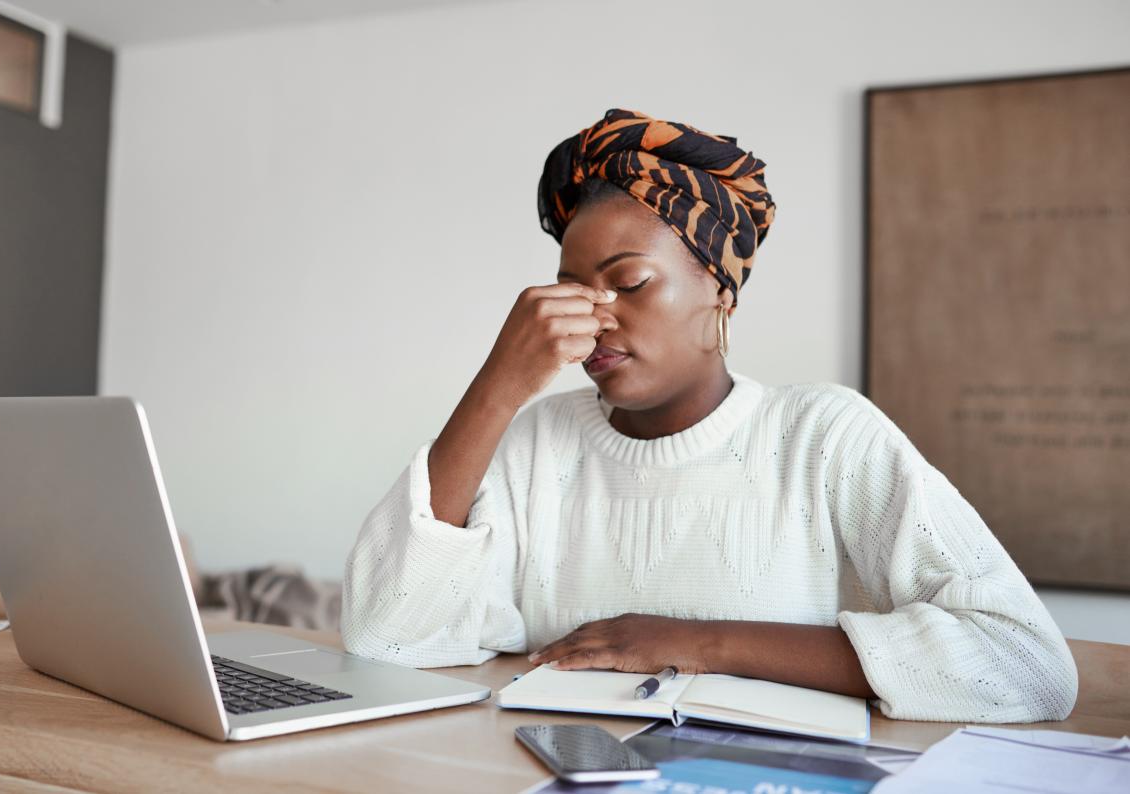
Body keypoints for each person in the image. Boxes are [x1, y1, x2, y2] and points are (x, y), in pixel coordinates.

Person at [341, 108, 1078, 723]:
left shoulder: (824, 436)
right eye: (570, 291)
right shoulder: (539, 441)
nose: (595, 317)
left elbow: (1024, 664)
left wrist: (693, 641)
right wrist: (498, 388)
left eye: (628, 282)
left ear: (720, 290)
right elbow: (384, 634)